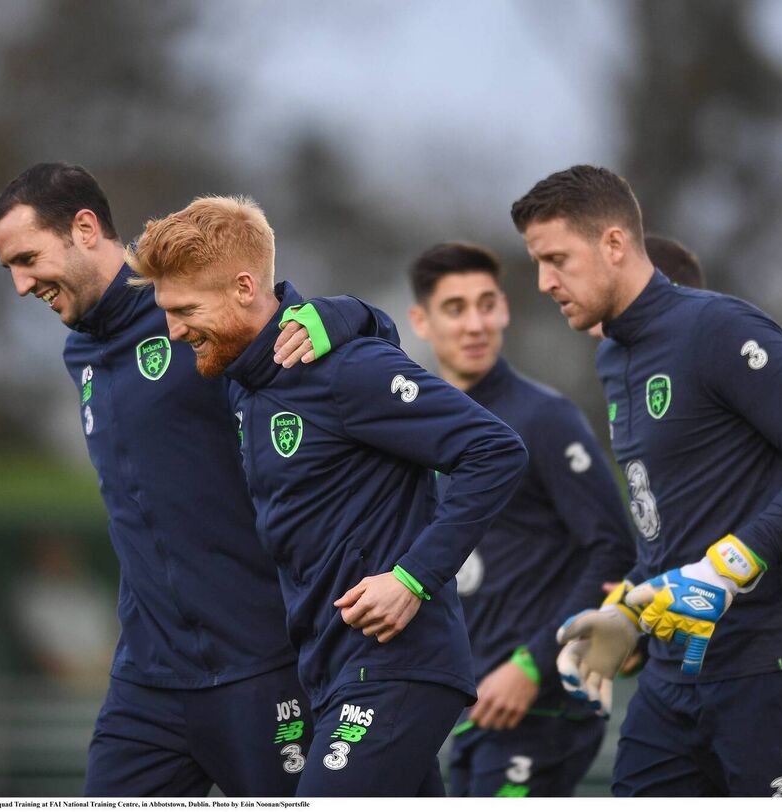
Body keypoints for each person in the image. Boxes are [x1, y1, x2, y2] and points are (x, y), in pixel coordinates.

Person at [0, 163, 398, 796]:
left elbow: (312, 334)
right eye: (8, 267)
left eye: (27, 258)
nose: (19, 284)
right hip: (147, 683)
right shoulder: (80, 353)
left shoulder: (186, 306)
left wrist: (351, 315)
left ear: (85, 229)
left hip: (261, 667)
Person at [130, 195, 529, 797]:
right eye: (167, 310)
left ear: (244, 287)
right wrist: (354, 312)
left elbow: (497, 452)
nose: (174, 328)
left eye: (186, 308)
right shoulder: (246, 386)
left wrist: (412, 578)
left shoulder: (344, 370)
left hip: (397, 667)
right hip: (329, 674)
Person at [510, 164, 782, 797]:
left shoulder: (720, 329)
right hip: (672, 686)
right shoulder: (612, 355)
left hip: (774, 672)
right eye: (539, 262)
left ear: (614, 244)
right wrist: (627, 611)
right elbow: (668, 519)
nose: (545, 282)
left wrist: (727, 567)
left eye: (557, 258)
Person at [405, 242, 635, 797]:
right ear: (420, 321)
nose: (476, 323)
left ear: (505, 309)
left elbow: (613, 550)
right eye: (455, 308)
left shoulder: (545, 418)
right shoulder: (410, 427)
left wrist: (533, 665)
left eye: (487, 304)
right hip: (467, 712)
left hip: (541, 712)